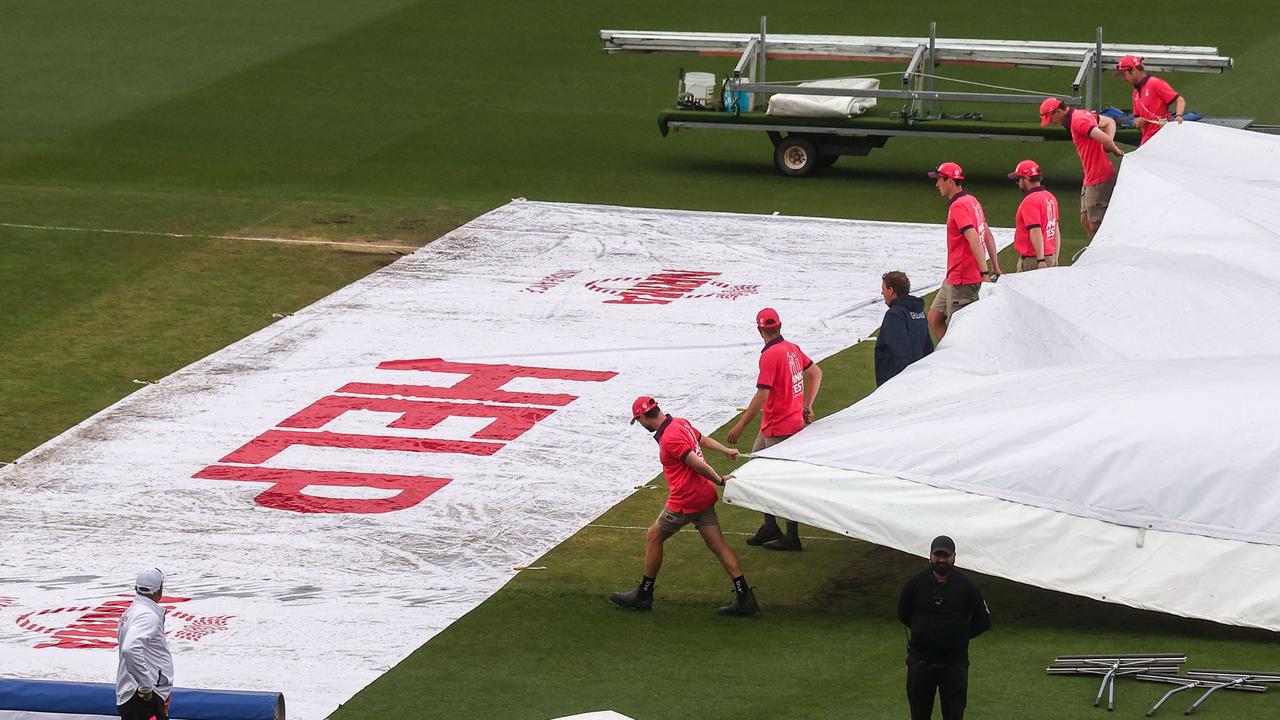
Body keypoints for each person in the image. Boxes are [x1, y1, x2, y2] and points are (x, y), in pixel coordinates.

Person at [611, 396, 760, 616]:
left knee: (654, 536)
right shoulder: (679, 423)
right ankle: (744, 595)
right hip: (703, 495)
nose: (640, 424)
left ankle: (644, 594)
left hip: (685, 500)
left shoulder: (670, 437)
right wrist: (725, 451)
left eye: (638, 420)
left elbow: (696, 463)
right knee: (718, 545)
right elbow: (703, 440)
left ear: (643, 417)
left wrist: (720, 480)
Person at [726, 308, 822, 551]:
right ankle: (771, 525)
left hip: (779, 427)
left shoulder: (770, 355)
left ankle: (791, 536)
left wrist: (740, 424)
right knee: (756, 473)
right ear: (779, 326)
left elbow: (763, 393)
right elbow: (815, 373)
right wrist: (807, 405)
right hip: (782, 423)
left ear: (760, 330)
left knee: (777, 481)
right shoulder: (791, 348)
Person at [897, 536, 992, 720]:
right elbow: (903, 612)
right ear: (930, 556)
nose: (941, 559)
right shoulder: (915, 584)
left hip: (953, 666)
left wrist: (959, 636)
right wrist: (922, 630)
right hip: (921, 664)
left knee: (954, 715)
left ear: (954, 557)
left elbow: (984, 620)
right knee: (918, 715)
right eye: (937, 554)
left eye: (946, 555)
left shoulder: (966, 586)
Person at [925, 162, 1000, 343]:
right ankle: (948, 357)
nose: (937, 185)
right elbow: (987, 234)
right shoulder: (972, 201)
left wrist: (984, 273)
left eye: (939, 180)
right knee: (934, 318)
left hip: (963, 279)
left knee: (960, 333)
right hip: (953, 277)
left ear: (949, 181)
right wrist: (995, 268)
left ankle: (960, 363)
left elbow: (974, 238)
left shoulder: (958, 206)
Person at [1039, 97, 1124, 239]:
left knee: (1096, 225)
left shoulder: (1078, 121)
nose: (1052, 122)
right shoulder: (1079, 115)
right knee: (1085, 219)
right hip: (1090, 177)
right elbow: (1110, 122)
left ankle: (1102, 254)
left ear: (1058, 111)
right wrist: (1107, 146)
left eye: (1051, 118)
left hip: (1099, 178)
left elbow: (1106, 139)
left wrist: (1112, 148)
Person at [117, 568, 173, 720]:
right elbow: (130, 649)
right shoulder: (148, 616)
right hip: (143, 697)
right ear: (159, 590)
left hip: (135, 693)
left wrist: (163, 690)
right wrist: (147, 686)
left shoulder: (129, 613)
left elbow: (149, 654)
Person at [875, 271, 933, 386]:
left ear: (891, 290)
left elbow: (901, 353)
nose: (882, 293)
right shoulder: (919, 312)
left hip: (897, 383)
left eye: (884, 289)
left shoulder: (894, 315)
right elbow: (929, 349)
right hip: (919, 377)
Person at [1115, 55, 1186, 146]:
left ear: (1134, 70)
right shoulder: (1135, 92)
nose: (1124, 79)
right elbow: (1136, 118)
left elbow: (1180, 100)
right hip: (1147, 140)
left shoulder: (1155, 83)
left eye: (1125, 75)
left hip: (1162, 139)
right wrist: (1137, 121)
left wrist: (1179, 115)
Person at [1007, 160, 1060, 271]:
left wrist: (1040, 260)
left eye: (1018, 179)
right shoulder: (1050, 197)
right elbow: (1055, 230)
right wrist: (1055, 257)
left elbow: (1035, 231)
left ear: (1026, 179)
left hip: (1033, 261)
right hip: (1050, 257)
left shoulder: (1030, 201)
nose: (1017, 183)